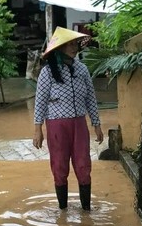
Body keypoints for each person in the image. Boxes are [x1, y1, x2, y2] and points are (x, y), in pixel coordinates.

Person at [33, 27, 104, 211]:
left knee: (83, 165)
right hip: (57, 126)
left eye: (75, 44)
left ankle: (86, 210)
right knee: (59, 165)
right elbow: (40, 100)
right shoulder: (48, 72)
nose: (74, 48)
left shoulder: (82, 69)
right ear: (61, 47)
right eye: (70, 44)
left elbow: (90, 98)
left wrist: (96, 124)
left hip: (79, 124)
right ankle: (63, 210)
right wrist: (37, 129)